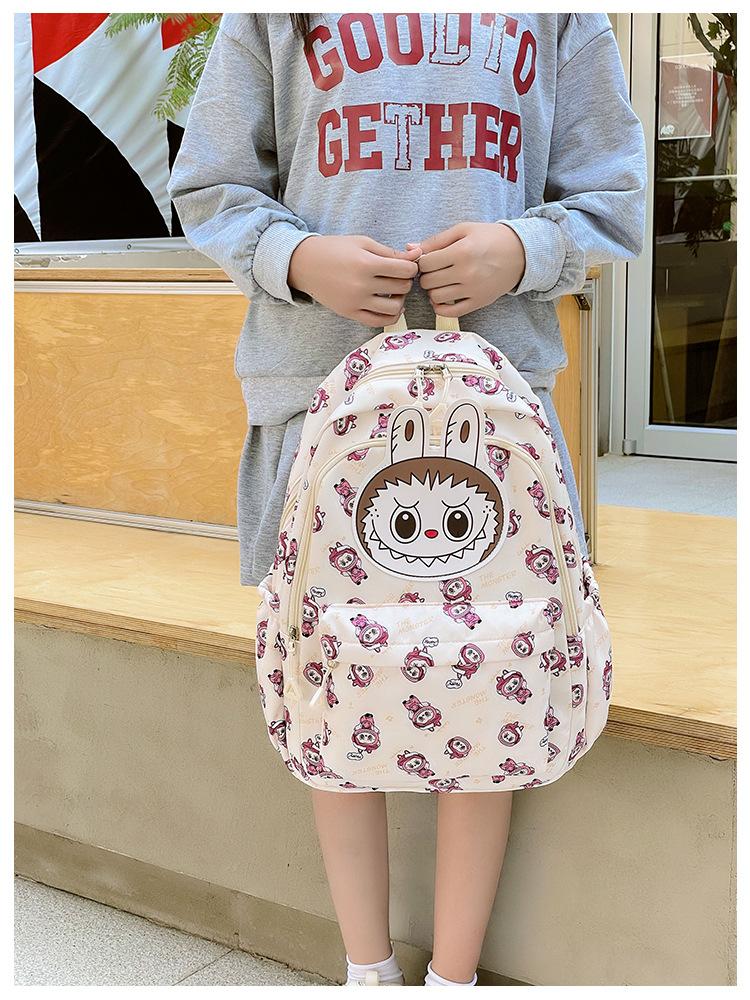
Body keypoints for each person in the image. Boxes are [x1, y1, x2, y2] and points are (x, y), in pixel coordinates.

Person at [167, 12, 647, 987]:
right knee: (333, 682)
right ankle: (367, 970)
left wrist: (523, 248)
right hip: (318, 406)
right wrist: (297, 258)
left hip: (493, 416)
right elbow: (210, 182)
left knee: (496, 673)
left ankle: (452, 978)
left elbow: (617, 196)